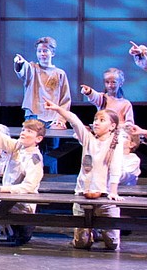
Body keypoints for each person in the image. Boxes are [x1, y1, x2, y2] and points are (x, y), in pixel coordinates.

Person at [46, 101, 124, 251]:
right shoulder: (88, 139)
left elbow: (115, 168)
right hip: (84, 194)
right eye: (95, 120)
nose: (96, 123)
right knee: (81, 243)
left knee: (112, 244)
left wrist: (113, 191)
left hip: (104, 196)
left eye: (102, 120)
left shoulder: (116, 142)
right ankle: (89, 233)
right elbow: (75, 121)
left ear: (112, 126)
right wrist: (58, 109)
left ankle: (97, 230)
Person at [0, 114, 47, 246]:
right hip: (8, 200)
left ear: (38, 139)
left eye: (29, 131)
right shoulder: (18, 146)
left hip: (22, 205)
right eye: (23, 130)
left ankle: (14, 230)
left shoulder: (34, 158)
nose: (24, 133)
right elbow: (1, 140)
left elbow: (29, 187)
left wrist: (3, 189)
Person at [13, 36, 71, 127]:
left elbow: (65, 100)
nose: (42, 54)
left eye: (45, 51)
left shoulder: (60, 73)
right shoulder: (32, 69)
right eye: (39, 51)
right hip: (34, 116)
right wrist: (20, 62)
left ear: (52, 53)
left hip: (53, 119)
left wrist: (61, 118)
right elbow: (25, 69)